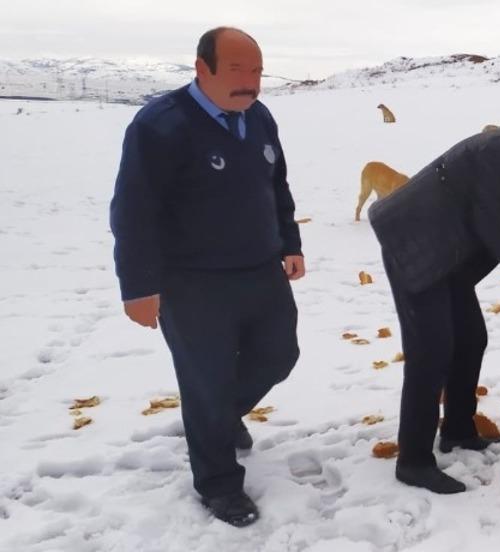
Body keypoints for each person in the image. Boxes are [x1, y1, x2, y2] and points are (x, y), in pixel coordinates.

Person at [110, 27, 304, 527]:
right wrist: (138, 286)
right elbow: (134, 210)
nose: (250, 82)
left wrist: (291, 243)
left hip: (260, 269)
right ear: (202, 69)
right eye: (237, 70)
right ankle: (218, 483)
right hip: (193, 282)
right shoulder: (161, 125)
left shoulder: (258, 117)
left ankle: (216, 416)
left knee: (280, 355)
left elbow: (275, 185)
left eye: (257, 71)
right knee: (206, 380)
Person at [368, 111, 500, 494]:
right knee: (431, 352)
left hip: (446, 258)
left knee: (471, 339)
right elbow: (484, 217)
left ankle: (458, 430)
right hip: (415, 247)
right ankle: (414, 461)